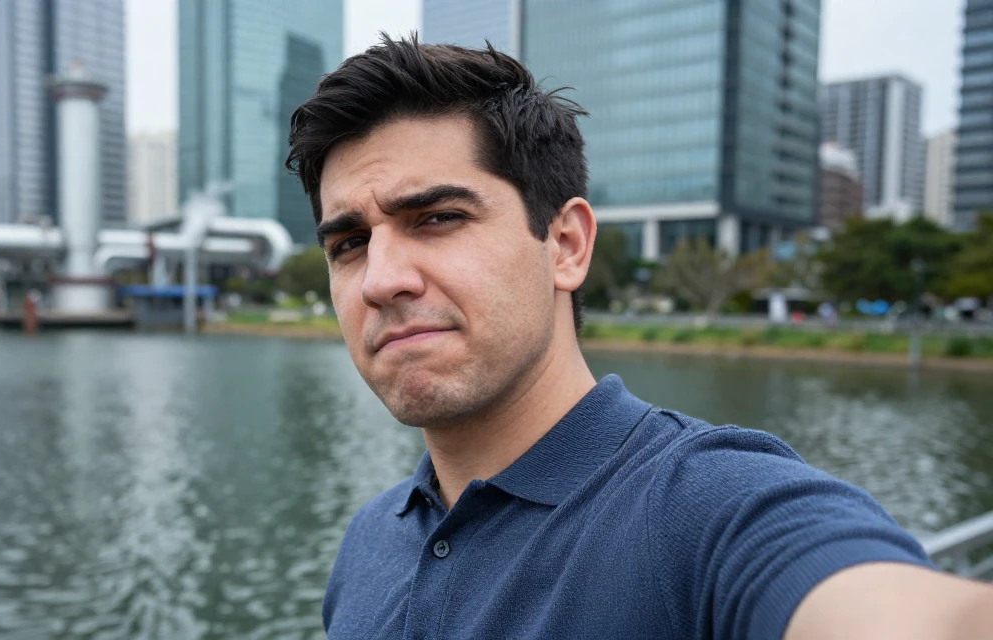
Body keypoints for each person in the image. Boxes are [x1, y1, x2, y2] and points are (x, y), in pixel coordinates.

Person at [285, 35, 993, 639]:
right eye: (349, 243)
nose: (381, 279)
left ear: (566, 245)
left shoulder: (709, 509)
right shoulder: (369, 541)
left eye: (438, 218)